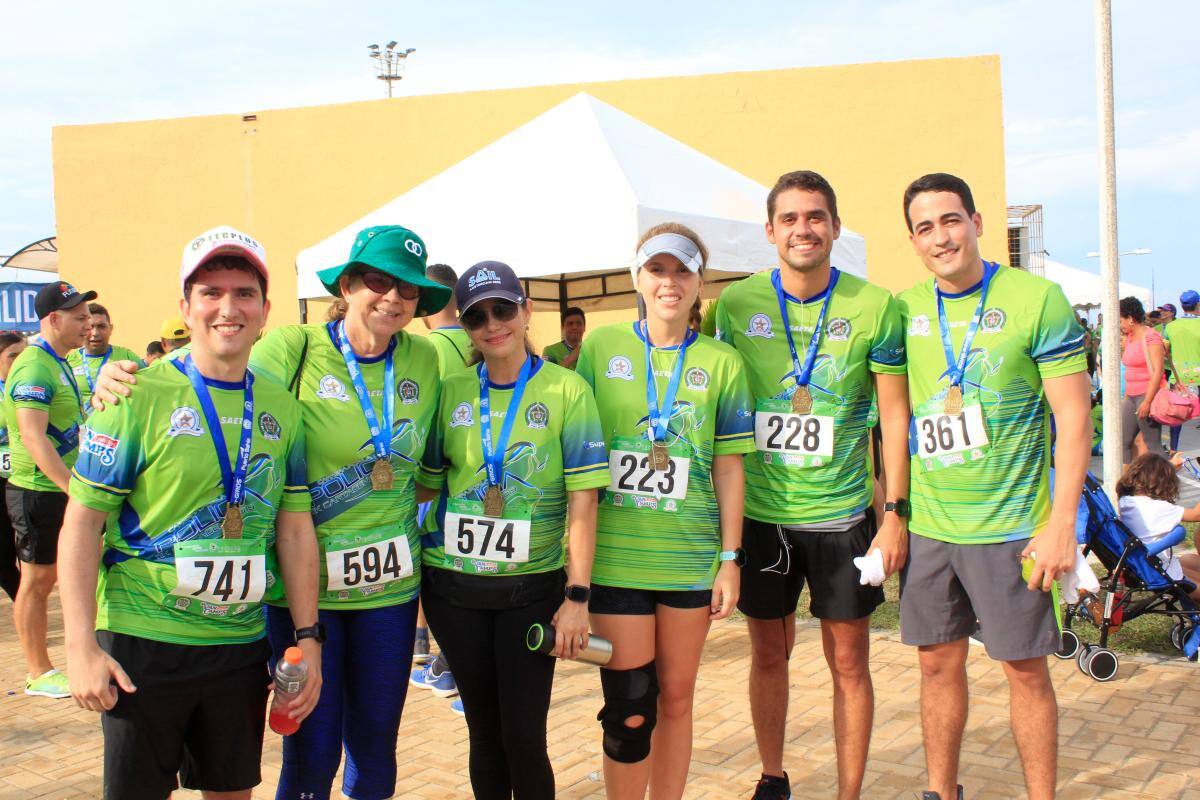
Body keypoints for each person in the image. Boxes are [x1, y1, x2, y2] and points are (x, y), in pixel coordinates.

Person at [92, 224, 449, 800]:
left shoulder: (426, 358)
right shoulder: (295, 347)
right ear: (349, 285)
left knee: (377, 745)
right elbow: (221, 371)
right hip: (300, 590)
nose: (393, 298)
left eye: (409, 290)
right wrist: (120, 376)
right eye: (378, 281)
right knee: (311, 745)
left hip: (388, 590)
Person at [59, 227, 321, 800]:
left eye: (244, 293)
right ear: (186, 306)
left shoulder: (281, 405)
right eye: (211, 292)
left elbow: (295, 527)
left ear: (264, 309)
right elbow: (81, 523)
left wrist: (309, 639)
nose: (228, 307)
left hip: (238, 643)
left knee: (232, 794)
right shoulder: (133, 395)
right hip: (144, 640)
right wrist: (79, 645)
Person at [714, 170, 911, 800]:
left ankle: (848, 791)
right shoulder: (736, 305)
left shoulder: (875, 306)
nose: (805, 229)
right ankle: (773, 778)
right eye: (791, 218)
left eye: (817, 217)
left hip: (843, 517)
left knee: (849, 662)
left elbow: (895, 416)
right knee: (768, 656)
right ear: (770, 230)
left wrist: (895, 512)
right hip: (764, 518)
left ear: (836, 226)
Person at [896, 173, 1090, 800]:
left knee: (1026, 672)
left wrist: (1062, 522)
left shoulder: (1038, 299)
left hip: (1011, 526)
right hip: (931, 526)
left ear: (977, 222)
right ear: (914, 240)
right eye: (925, 227)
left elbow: (1074, 419)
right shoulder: (903, 310)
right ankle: (940, 790)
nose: (940, 237)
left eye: (950, 220)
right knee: (935, 665)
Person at [416, 260, 608, 800]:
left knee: (523, 736)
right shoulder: (451, 391)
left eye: (504, 308)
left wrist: (578, 595)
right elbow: (427, 491)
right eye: (478, 316)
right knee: (483, 733)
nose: (493, 323)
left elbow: (584, 502)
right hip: (454, 591)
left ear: (526, 311)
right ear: (466, 324)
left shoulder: (567, 390)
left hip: (531, 591)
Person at [575, 224, 753, 799]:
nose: (669, 282)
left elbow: (728, 467)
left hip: (689, 559)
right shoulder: (601, 347)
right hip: (615, 559)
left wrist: (731, 558)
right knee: (629, 709)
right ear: (638, 279)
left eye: (682, 271)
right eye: (657, 270)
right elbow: (574, 451)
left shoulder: (723, 362)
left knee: (676, 697)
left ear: (700, 282)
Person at [5, 281, 95, 698]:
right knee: (37, 582)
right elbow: (32, 436)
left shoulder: (60, 361)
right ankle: (38, 671)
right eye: (78, 318)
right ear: (53, 320)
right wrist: (71, 489)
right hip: (40, 491)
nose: (88, 324)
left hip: (64, 488)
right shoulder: (34, 366)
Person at [411, 263, 471, 688]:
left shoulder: (422, 350)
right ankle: (448, 662)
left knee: (436, 572)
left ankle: (443, 660)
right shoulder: (481, 338)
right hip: (478, 481)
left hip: (435, 482)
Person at [1116, 453, 1200, 598]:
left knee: (1187, 560)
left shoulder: (1126, 502)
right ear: (1164, 483)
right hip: (1163, 575)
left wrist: (1169, 469)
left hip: (1143, 567)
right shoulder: (1160, 508)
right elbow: (1196, 514)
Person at [66, 303, 142, 412]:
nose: (95, 333)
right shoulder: (69, 360)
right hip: (80, 427)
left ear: (110, 328)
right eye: (90, 327)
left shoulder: (128, 357)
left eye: (101, 326)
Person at [1119, 295, 1166, 461]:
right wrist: (1126, 398)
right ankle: (1126, 482)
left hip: (1146, 395)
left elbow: (1158, 371)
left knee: (1153, 444)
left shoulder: (1151, 337)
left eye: (1121, 320)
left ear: (1130, 319)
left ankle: (1166, 482)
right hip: (1131, 397)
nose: (1120, 325)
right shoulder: (1130, 338)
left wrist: (1147, 401)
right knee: (1123, 442)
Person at [0, 333, 28, 601]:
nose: (20, 361)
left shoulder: (33, 384)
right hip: (1, 483)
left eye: (24, 354)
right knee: (3, 557)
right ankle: (24, 603)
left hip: (29, 482)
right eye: (12, 355)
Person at [1163, 291, 1200, 447]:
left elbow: (1164, 351)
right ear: (1198, 304)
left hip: (1178, 378)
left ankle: (1173, 450)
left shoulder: (1170, 327)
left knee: (1176, 417)